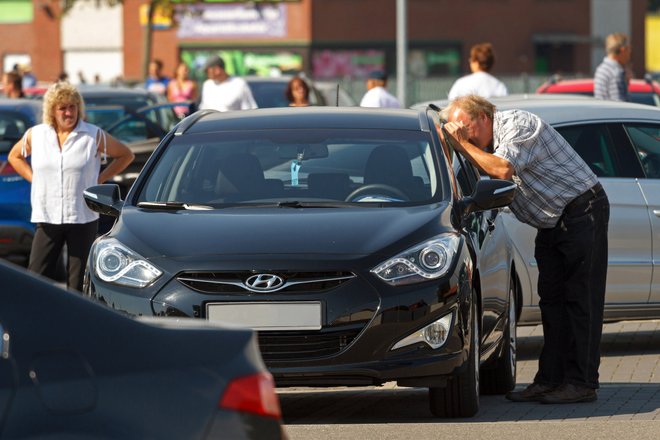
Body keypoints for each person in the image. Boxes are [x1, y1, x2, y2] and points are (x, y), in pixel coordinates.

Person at [439, 94, 609, 404]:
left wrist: (462, 144)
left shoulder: (517, 124)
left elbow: (503, 170)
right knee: (552, 303)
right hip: (552, 222)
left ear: (482, 118)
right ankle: (550, 379)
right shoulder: (482, 148)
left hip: (582, 211)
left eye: (462, 125)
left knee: (580, 299)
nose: (458, 132)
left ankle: (582, 383)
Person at [7, 81, 134, 292]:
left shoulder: (93, 135)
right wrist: (33, 178)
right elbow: (14, 156)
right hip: (47, 216)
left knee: (77, 284)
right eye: (63, 108)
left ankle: (75, 323)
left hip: (82, 217)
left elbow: (125, 155)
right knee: (36, 277)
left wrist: (99, 179)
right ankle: (33, 322)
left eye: (72, 106)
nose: (69, 112)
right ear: (52, 111)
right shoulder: (37, 135)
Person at [594, 32, 631, 101]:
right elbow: (620, 104)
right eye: (629, 49)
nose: (629, 54)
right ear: (623, 50)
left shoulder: (601, 69)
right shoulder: (616, 72)